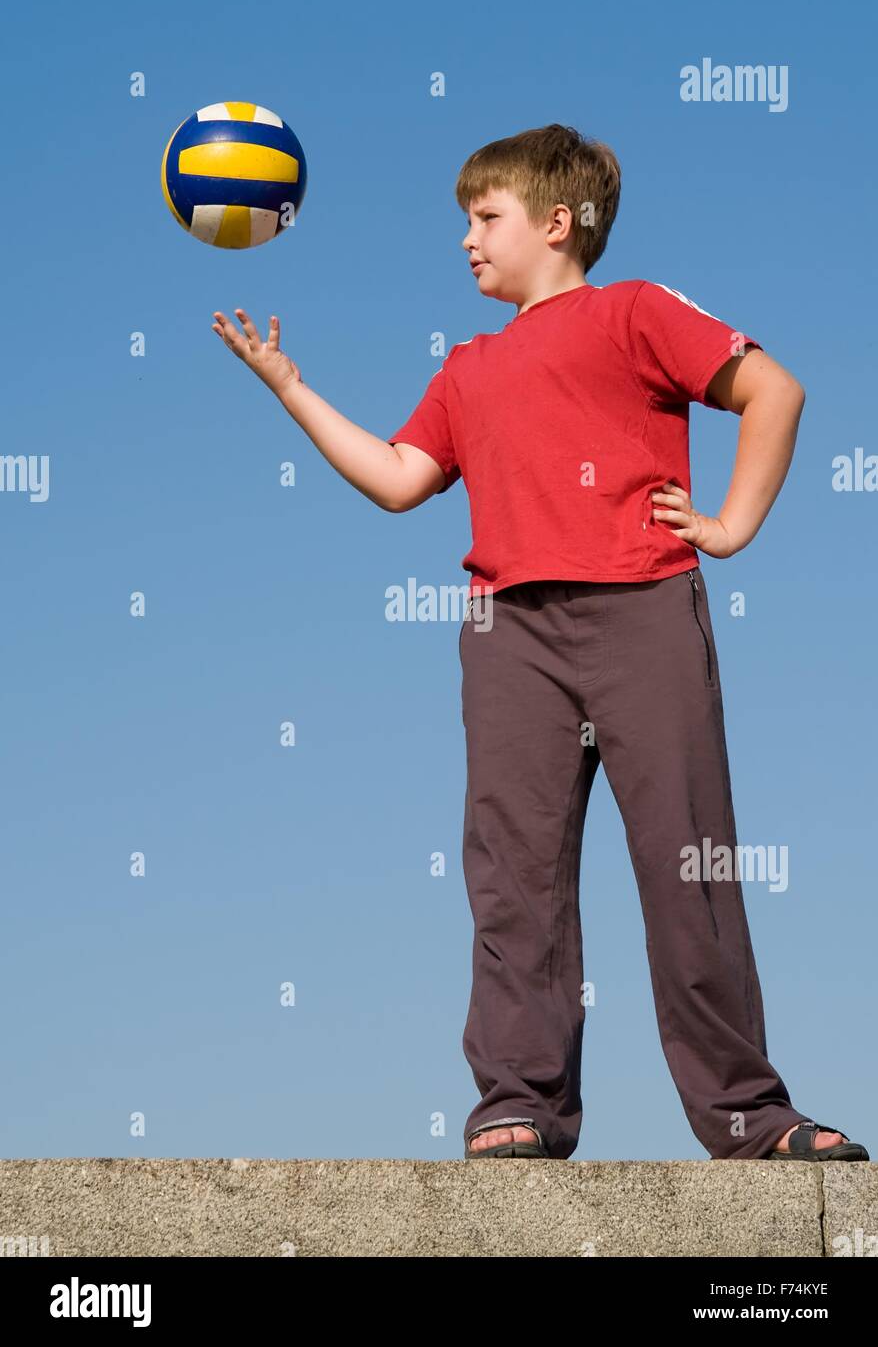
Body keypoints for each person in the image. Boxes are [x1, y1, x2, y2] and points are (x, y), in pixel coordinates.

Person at [210, 123, 868, 1164]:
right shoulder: (468, 367)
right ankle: (516, 1100)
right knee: (512, 876)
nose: (466, 240)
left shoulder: (635, 311)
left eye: (485, 218)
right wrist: (289, 387)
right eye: (464, 222)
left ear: (555, 223)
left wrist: (732, 525)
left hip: (644, 614)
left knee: (683, 862)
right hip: (508, 635)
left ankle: (748, 1114)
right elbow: (395, 480)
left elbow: (771, 390)